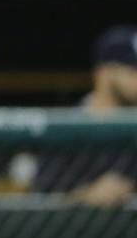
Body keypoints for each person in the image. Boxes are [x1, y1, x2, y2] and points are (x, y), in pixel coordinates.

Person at [33, 27, 137, 207]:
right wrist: (89, 196)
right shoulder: (65, 127)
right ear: (105, 72)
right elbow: (42, 197)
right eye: (134, 70)